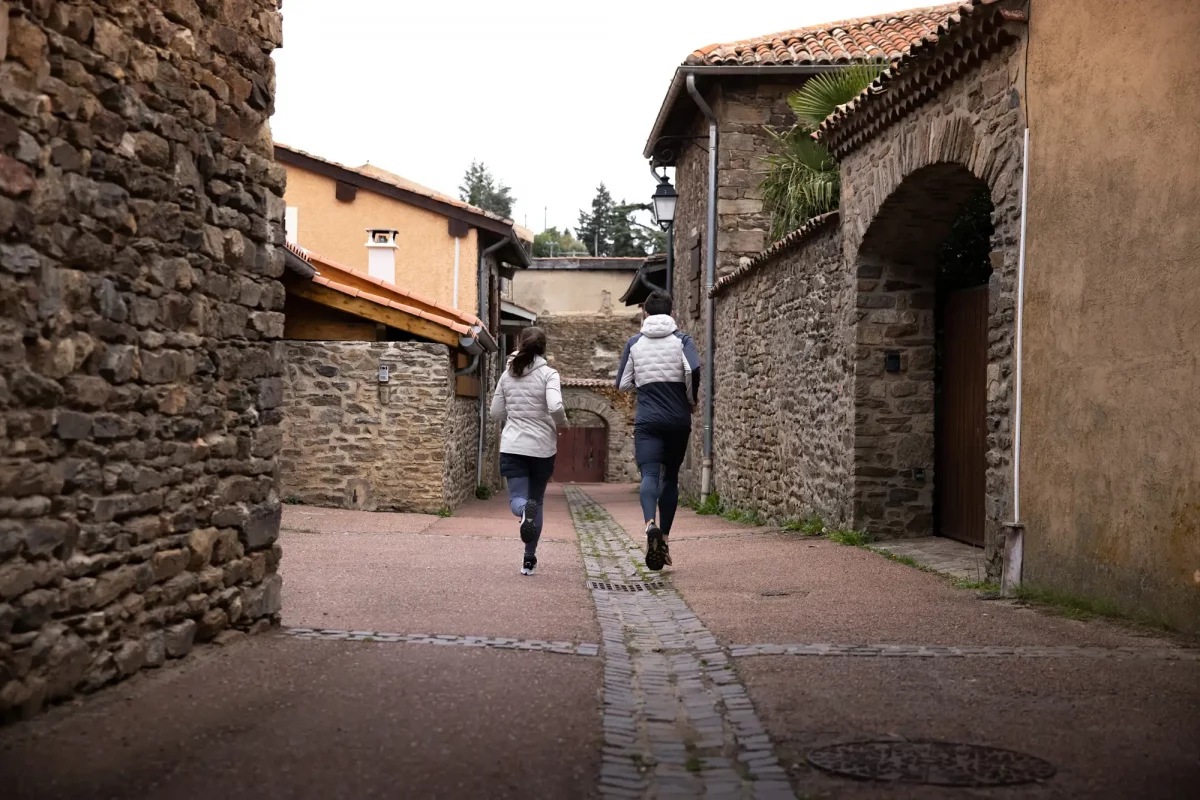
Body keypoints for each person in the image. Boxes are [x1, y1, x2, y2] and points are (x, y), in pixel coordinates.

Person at [616, 290, 700, 571]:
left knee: (650, 474)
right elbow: (693, 370)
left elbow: (623, 383)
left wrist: (644, 384)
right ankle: (663, 537)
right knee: (671, 478)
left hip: (648, 420)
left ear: (646, 314)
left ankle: (649, 523)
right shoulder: (683, 340)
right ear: (672, 314)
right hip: (677, 419)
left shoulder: (635, 343)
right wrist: (691, 399)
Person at [490, 326, 568, 575]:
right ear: (543, 348)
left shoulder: (507, 375)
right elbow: (555, 405)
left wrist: (513, 417)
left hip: (513, 445)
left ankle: (524, 512)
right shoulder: (549, 374)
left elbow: (495, 413)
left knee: (517, 500)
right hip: (542, 448)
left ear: (520, 344)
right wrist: (563, 424)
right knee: (538, 501)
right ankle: (529, 559)